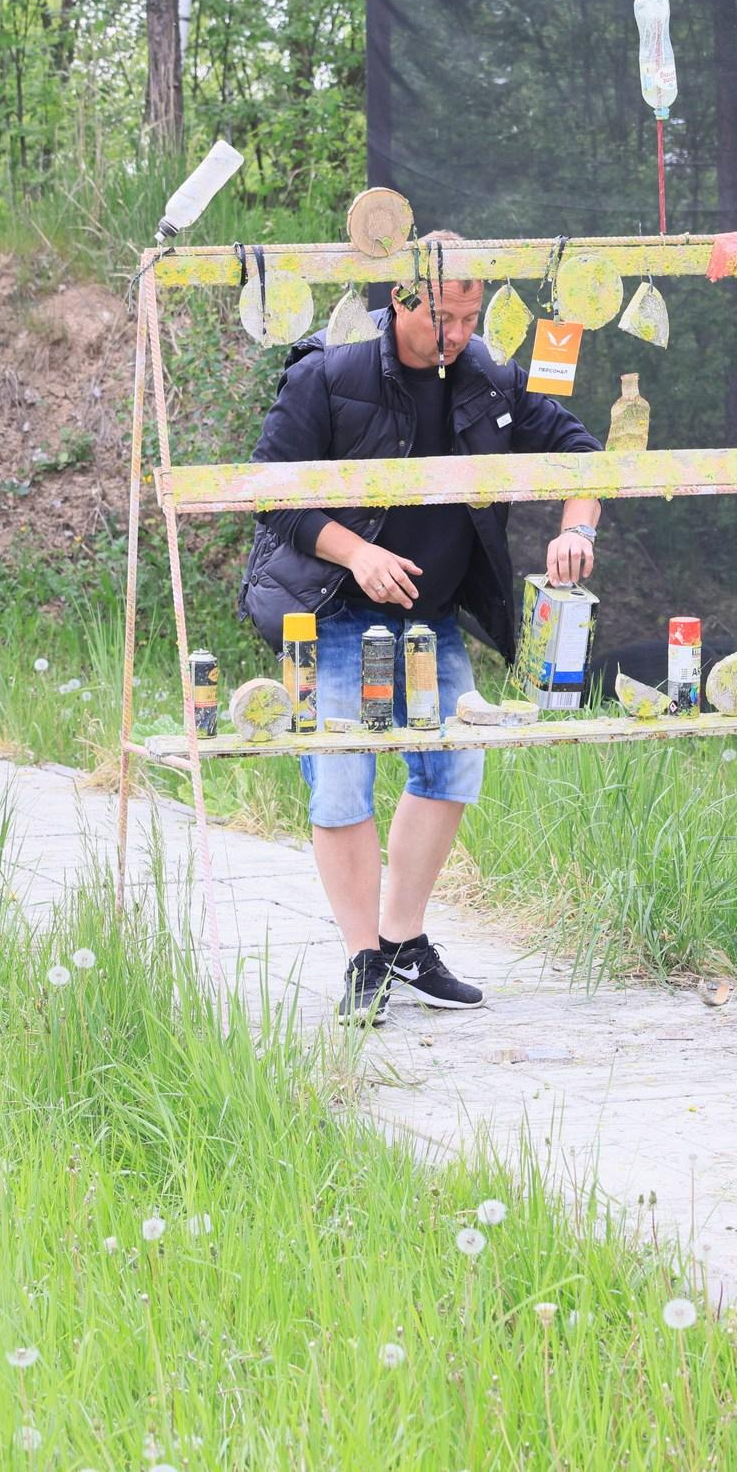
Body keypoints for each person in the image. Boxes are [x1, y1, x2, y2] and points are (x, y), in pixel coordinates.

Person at [239, 237, 601, 1025]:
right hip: (332, 608)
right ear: (401, 300)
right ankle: (361, 957)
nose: (459, 333)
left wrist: (579, 530)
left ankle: (402, 941)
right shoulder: (328, 375)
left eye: (472, 316)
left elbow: (581, 452)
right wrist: (359, 553)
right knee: (340, 780)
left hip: (428, 617)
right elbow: (273, 495)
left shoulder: (491, 377)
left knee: (451, 770)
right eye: (444, 317)